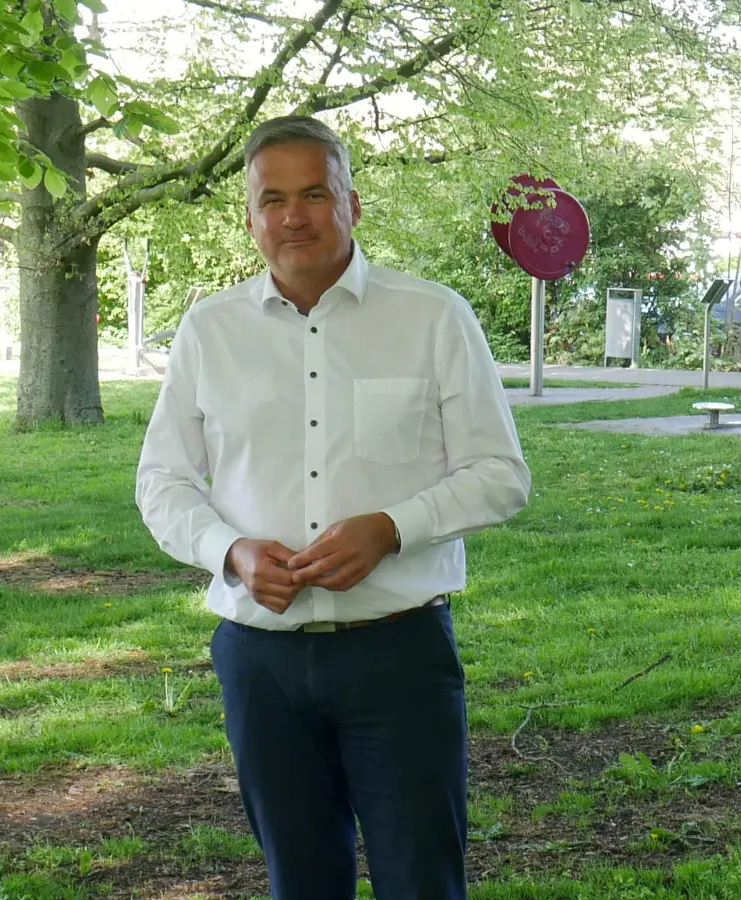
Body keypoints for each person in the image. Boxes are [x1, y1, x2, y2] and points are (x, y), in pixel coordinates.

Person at [134, 115, 531, 900]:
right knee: (300, 883)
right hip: (261, 660)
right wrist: (232, 552)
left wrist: (391, 528)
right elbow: (163, 483)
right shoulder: (211, 331)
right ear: (249, 216)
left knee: (422, 881)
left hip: (398, 656)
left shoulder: (432, 316)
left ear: (352, 201)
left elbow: (501, 474)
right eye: (272, 198)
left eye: (314, 192)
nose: (293, 215)